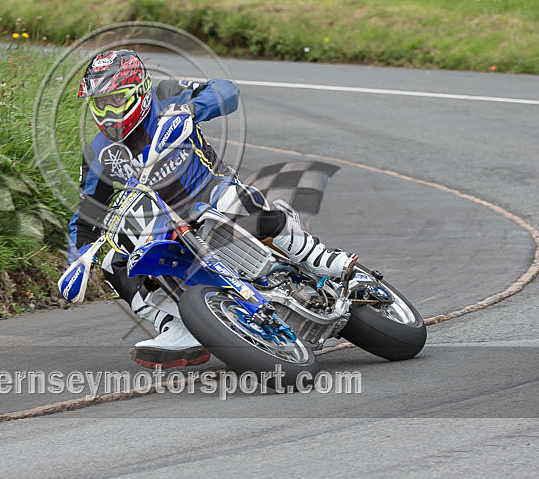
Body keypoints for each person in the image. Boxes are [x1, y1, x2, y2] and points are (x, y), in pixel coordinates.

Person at [67, 49, 357, 369]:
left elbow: (226, 90)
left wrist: (190, 109)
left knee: (231, 200)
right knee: (114, 260)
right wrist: (78, 259)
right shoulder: (98, 153)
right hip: (166, 224)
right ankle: (174, 325)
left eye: (116, 100)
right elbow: (87, 213)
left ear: (138, 91)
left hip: (214, 191)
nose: (108, 113)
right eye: (100, 104)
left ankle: (313, 255)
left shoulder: (167, 94)